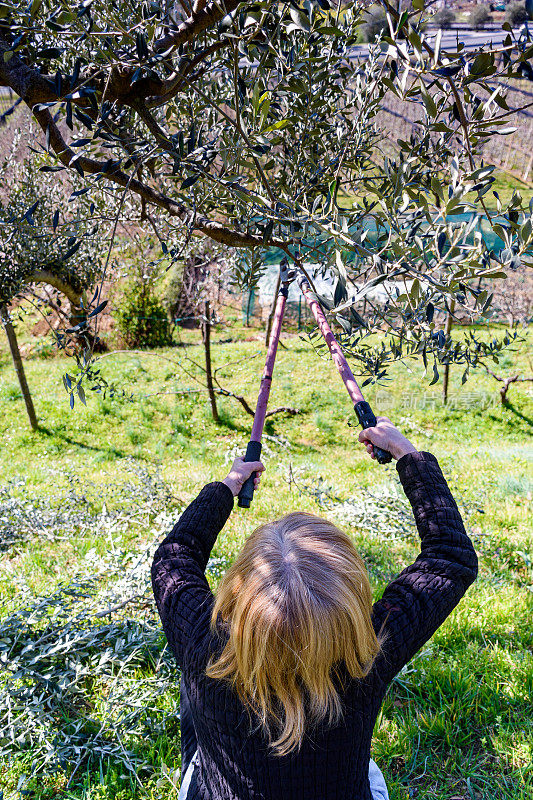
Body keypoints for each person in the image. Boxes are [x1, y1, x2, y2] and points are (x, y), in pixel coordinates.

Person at [151, 418, 478, 800]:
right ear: (350, 598)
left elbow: (173, 560)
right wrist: (406, 454)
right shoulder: (369, 656)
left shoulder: (204, 646)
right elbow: (449, 558)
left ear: (239, 586)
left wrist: (228, 485)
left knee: (192, 693)